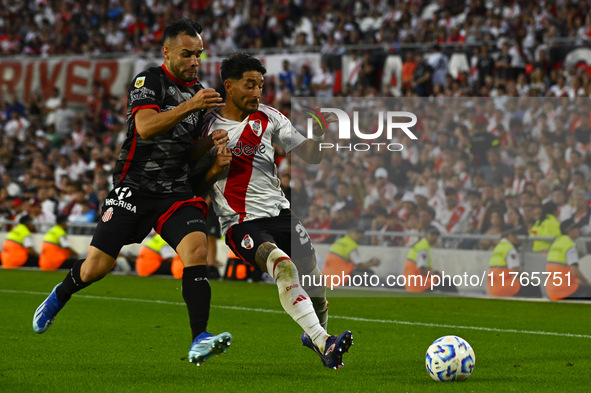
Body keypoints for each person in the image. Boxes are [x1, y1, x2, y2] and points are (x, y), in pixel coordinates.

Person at [32, 19, 233, 366]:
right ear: (166, 52)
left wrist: (209, 145)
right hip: (134, 187)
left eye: (199, 54)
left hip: (174, 190)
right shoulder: (149, 80)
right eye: (187, 54)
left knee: (197, 250)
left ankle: (200, 337)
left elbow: (186, 149)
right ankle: (59, 294)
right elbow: (146, 126)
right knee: (96, 267)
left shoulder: (198, 93)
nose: (194, 61)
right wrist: (192, 106)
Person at [192, 52, 353, 370]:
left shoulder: (270, 117)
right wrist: (212, 170)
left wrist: (318, 133)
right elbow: (192, 182)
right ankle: (325, 341)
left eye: (260, 85)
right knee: (282, 266)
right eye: (249, 85)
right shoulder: (206, 127)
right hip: (240, 222)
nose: (256, 92)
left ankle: (316, 336)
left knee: (316, 287)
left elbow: (311, 155)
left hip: (281, 214)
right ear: (229, 85)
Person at [487, 225, 541, 298]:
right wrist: (530, 280)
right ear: (506, 236)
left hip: (492, 288)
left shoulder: (498, 247)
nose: (516, 237)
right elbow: (515, 270)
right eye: (513, 234)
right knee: (534, 287)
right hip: (506, 287)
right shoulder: (509, 249)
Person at [545, 219, 591, 300]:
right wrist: (587, 281)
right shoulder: (569, 247)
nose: (578, 230)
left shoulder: (555, 244)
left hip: (551, 289)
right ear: (570, 231)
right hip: (565, 290)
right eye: (576, 228)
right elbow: (575, 271)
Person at [403, 226, 456, 293]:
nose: (434, 237)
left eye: (436, 235)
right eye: (432, 235)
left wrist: (433, 273)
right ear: (426, 235)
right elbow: (422, 270)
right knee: (448, 283)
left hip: (413, 281)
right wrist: (436, 275)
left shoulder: (421, 245)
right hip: (418, 283)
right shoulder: (423, 248)